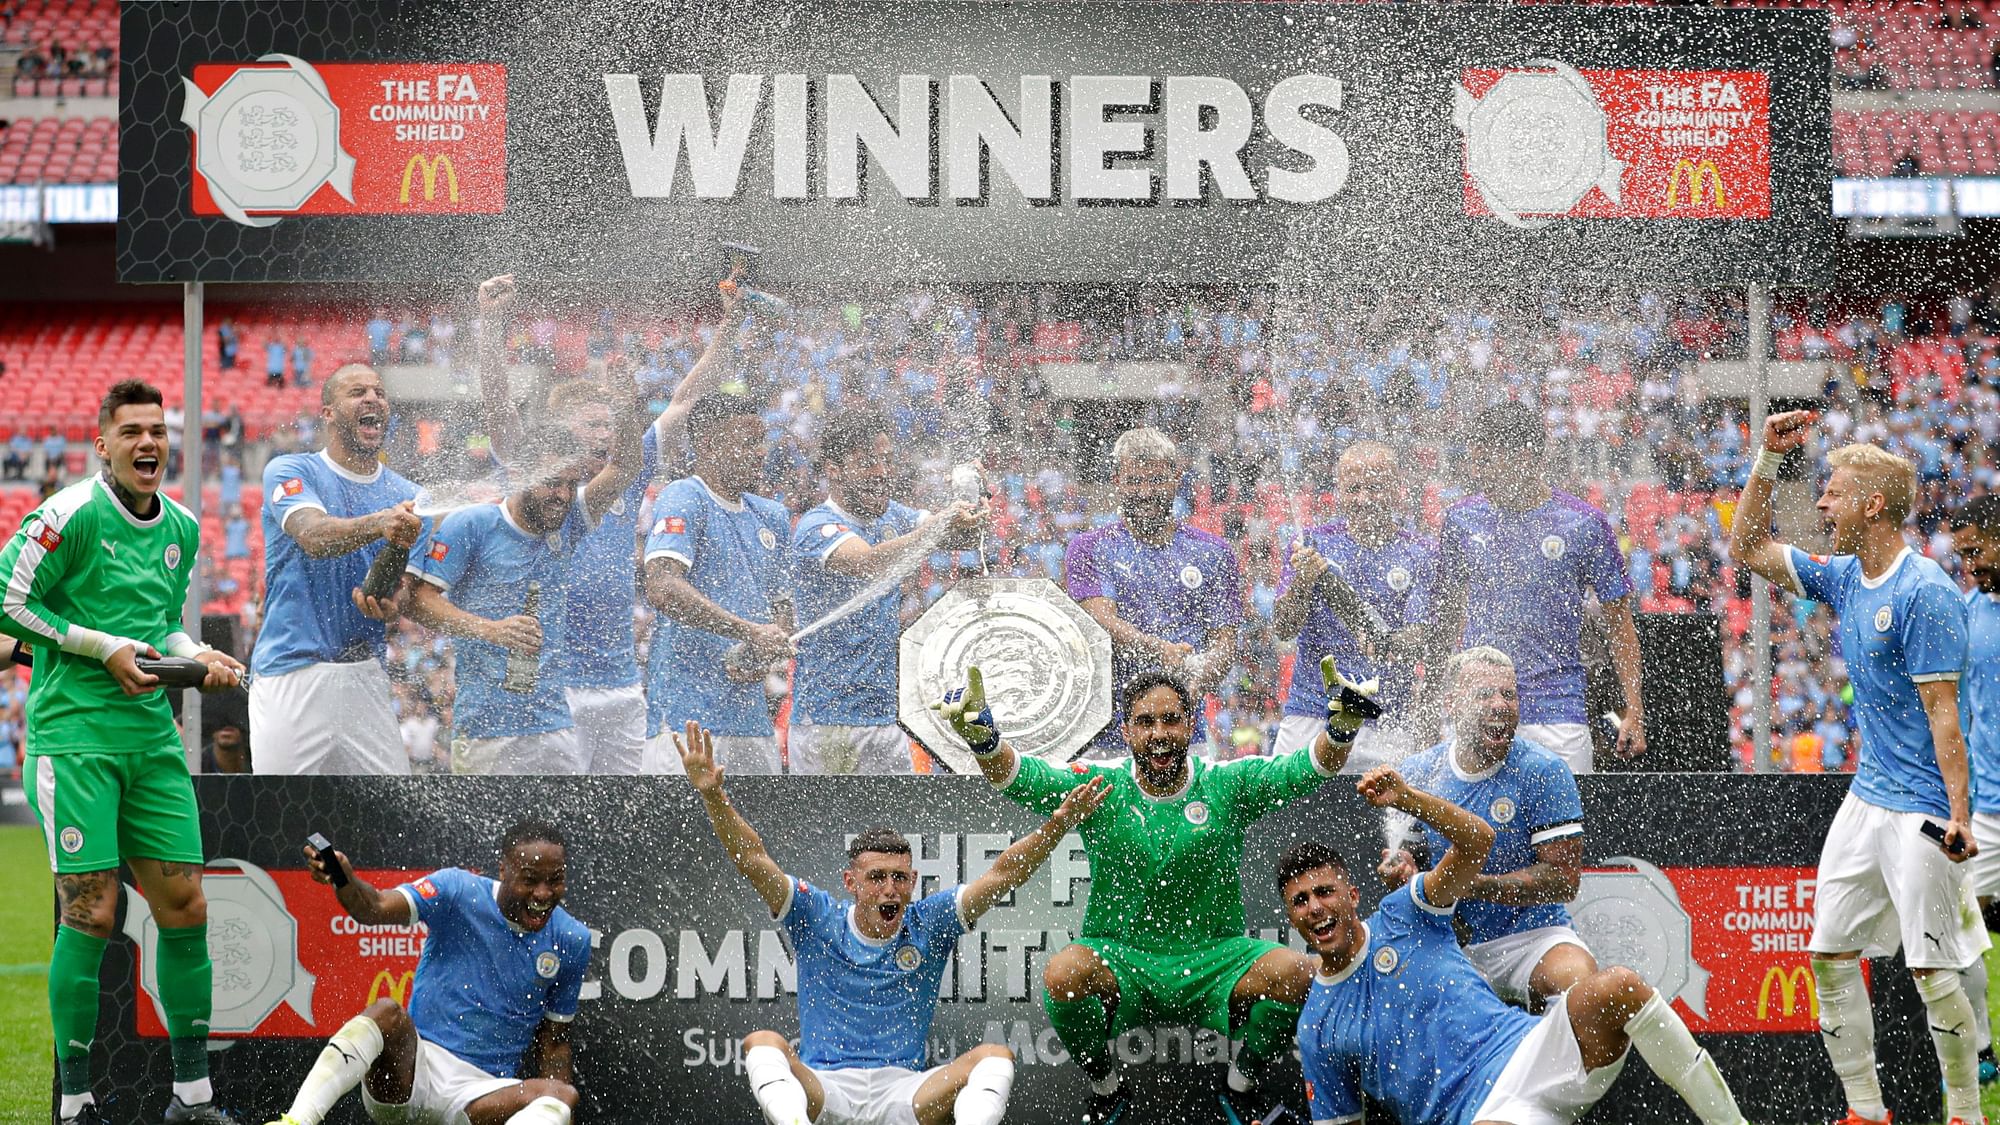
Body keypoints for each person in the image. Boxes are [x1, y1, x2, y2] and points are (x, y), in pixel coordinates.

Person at [934, 659, 1376, 1125]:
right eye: (1146, 722)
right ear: (1127, 731)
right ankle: (1106, 1089)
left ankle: (1242, 1085)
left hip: (1214, 960)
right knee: (1062, 974)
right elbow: (1022, 779)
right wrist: (983, 738)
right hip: (1124, 959)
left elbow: (1306, 769)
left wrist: (1341, 731)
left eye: (1170, 720)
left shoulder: (1225, 785)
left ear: (1191, 724)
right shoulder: (1100, 788)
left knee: (1296, 973)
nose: (1159, 732)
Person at [1729, 410, 1986, 1125]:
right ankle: (1866, 1112)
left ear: (1873, 504)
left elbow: (1944, 714)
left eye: (1832, 492)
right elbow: (1746, 545)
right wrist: (1766, 460)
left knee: (1932, 969)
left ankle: (1966, 1111)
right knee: (1829, 953)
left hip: (1924, 807)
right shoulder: (1845, 578)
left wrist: (1959, 816)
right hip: (1869, 795)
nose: (1820, 503)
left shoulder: (1923, 591)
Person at [0, 379, 246, 1125]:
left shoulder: (181, 527)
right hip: (74, 739)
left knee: (186, 903)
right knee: (93, 911)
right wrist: (101, 646)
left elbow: (161, 623)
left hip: (151, 740)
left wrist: (194, 651)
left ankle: (192, 1098)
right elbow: (6, 601)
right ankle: (74, 1104)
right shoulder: (68, 514)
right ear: (100, 441)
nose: (148, 443)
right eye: (131, 430)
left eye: (158, 431)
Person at [676, 718, 1107, 1125]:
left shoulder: (930, 921)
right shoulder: (816, 915)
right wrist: (714, 795)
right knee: (762, 1043)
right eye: (876, 878)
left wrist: (1059, 823)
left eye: (899, 878)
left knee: (995, 1056)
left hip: (905, 1091)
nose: (889, 889)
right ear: (852, 882)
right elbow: (752, 859)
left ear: (912, 880)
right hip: (824, 1088)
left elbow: (1004, 873)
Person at [1281, 769, 1748, 1125]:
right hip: (1479, 1113)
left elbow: (1477, 839)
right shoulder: (1317, 1026)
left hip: (1531, 1048)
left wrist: (1407, 799)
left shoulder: (1405, 912)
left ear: (1352, 895)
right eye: (1301, 902)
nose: (1316, 907)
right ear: (1292, 919)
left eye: (1325, 892)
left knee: (1619, 987)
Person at [476, 272, 748, 773]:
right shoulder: (538, 476)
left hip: (621, 683)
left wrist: (728, 327)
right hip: (554, 682)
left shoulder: (627, 469)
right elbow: (498, 412)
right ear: (562, 430)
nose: (605, 432)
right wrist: (491, 331)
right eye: (593, 423)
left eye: (609, 422)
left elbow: (685, 401)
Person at [265, 820, 589, 1125]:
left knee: (561, 1094)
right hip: (411, 1077)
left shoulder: (571, 938)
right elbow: (373, 907)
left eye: (555, 879)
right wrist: (343, 878)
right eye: (530, 879)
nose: (543, 894)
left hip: (482, 1098)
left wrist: (558, 1110)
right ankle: (296, 1120)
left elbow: (554, 1042)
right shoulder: (457, 889)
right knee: (386, 1013)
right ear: (504, 870)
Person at [407, 416, 641, 774]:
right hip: (487, 731)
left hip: (556, 725)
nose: (562, 495)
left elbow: (625, 467)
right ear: (519, 475)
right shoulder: (472, 524)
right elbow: (420, 601)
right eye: (551, 483)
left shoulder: (569, 522)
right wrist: (491, 630)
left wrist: (627, 402)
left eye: (570, 484)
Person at [1429, 401, 1647, 773]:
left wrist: (1634, 710)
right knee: (1469, 829)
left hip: (1558, 711)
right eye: (1476, 462)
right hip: (1477, 710)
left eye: (1488, 463)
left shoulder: (1583, 524)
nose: (1479, 474)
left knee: (1565, 830)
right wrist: (1434, 696)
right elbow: (1446, 617)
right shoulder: (1461, 520)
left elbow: (1619, 623)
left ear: (1525, 457)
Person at [1385, 646, 1594, 1010]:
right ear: (1452, 704)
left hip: (1532, 938)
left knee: (1586, 993)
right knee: (1393, 993)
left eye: (1509, 694)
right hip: (1448, 942)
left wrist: (1470, 885)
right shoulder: (1420, 772)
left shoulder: (1544, 770)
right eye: (1484, 694)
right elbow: (1408, 855)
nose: (1500, 704)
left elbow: (1563, 880)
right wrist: (1402, 868)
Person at [250, 364, 424, 775]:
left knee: (390, 815)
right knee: (284, 815)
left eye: (380, 393)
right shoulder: (292, 470)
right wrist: (381, 522)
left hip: (366, 675)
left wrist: (396, 602)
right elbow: (311, 534)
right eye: (357, 391)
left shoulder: (409, 496)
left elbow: (408, 589)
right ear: (328, 412)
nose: (373, 399)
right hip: (291, 673)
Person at [789, 408, 983, 774]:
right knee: (834, 832)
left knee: (893, 834)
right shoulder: (816, 525)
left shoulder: (894, 517)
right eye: (867, 463)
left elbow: (964, 535)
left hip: (885, 716)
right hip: (829, 720)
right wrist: (941, 522)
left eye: (885, 461)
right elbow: (866, 563)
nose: (881, 473)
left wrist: (975, 502)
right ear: (833, 469)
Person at [1064, 426, 1241, 759]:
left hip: (1184, 732)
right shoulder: (1089, 548)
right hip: (1104, 737)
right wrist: (1158, 650)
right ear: (1116, 480)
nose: (1145, 492)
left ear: (1176, 478)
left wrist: (1197, 682)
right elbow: (1101, 619)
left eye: (1156, 480)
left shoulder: (1213, 552)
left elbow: (1225, 642)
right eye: (1134, 482)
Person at [641, 395, 794, 775]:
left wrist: (764, 650)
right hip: (686, 718)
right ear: (709, 445)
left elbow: (782, 608)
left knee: (756, 833)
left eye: (763, 440)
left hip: (751, 721)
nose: (761, 452)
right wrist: (745, 631)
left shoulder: (770, 515)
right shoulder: (683, 497)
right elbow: (661, 586)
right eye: (748, 442)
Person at [1273, 439, 1434, 771]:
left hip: (1385, 721)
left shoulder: (1421, 553)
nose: (1364, 499)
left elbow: (1423, 636)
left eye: (1375, 488)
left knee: (1392, 822)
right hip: (1312, 713)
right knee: (1286, 818)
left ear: (1396, 489)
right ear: (1339, 491)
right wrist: (1304, 581)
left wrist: (1388, 643)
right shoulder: (1312, 544)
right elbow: (1283, 627)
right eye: (1354, 489)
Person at [1950, 493, 2000, 1084]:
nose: (1970, 564)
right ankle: (1982, 1052)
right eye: (1963, 554)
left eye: (1977, 550)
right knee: (1961, 928)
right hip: (1986, 809)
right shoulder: (1967, 611)